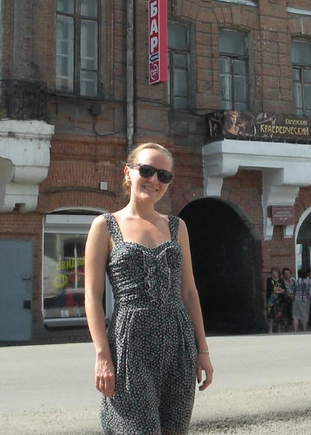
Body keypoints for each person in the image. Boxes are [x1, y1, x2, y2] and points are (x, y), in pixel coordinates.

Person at [84, 142, 214, 435]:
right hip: (130, 344)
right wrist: (102, 356)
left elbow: (189, 292)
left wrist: (202, 350)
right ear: (128, 173)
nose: (154, 180)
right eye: (147, 170)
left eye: (163, 176)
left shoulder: (176, 226)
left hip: (178, 343)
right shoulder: (104, 226)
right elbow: (92, 296)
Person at [265, 268, 287, 333]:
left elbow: (284, 290)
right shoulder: (269, 280)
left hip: (279, 300)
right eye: (273, 272)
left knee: (279, 314)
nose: (274, 273)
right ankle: (270, 329)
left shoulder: (281, 280)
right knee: (270, 314)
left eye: (276, 272)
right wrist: (278, 289)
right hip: (271, 300)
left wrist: (277, 291)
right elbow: (271, 288)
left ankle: (279, 330)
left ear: (278, 273)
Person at [291, 268, 311, 332]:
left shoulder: (296, 281)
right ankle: (305, 329)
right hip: (305, 299)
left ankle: (295, 330)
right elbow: (309, 291)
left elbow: (292, 290)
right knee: (305, 315)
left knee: (296, 316)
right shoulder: (308, 282)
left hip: (296, 299)